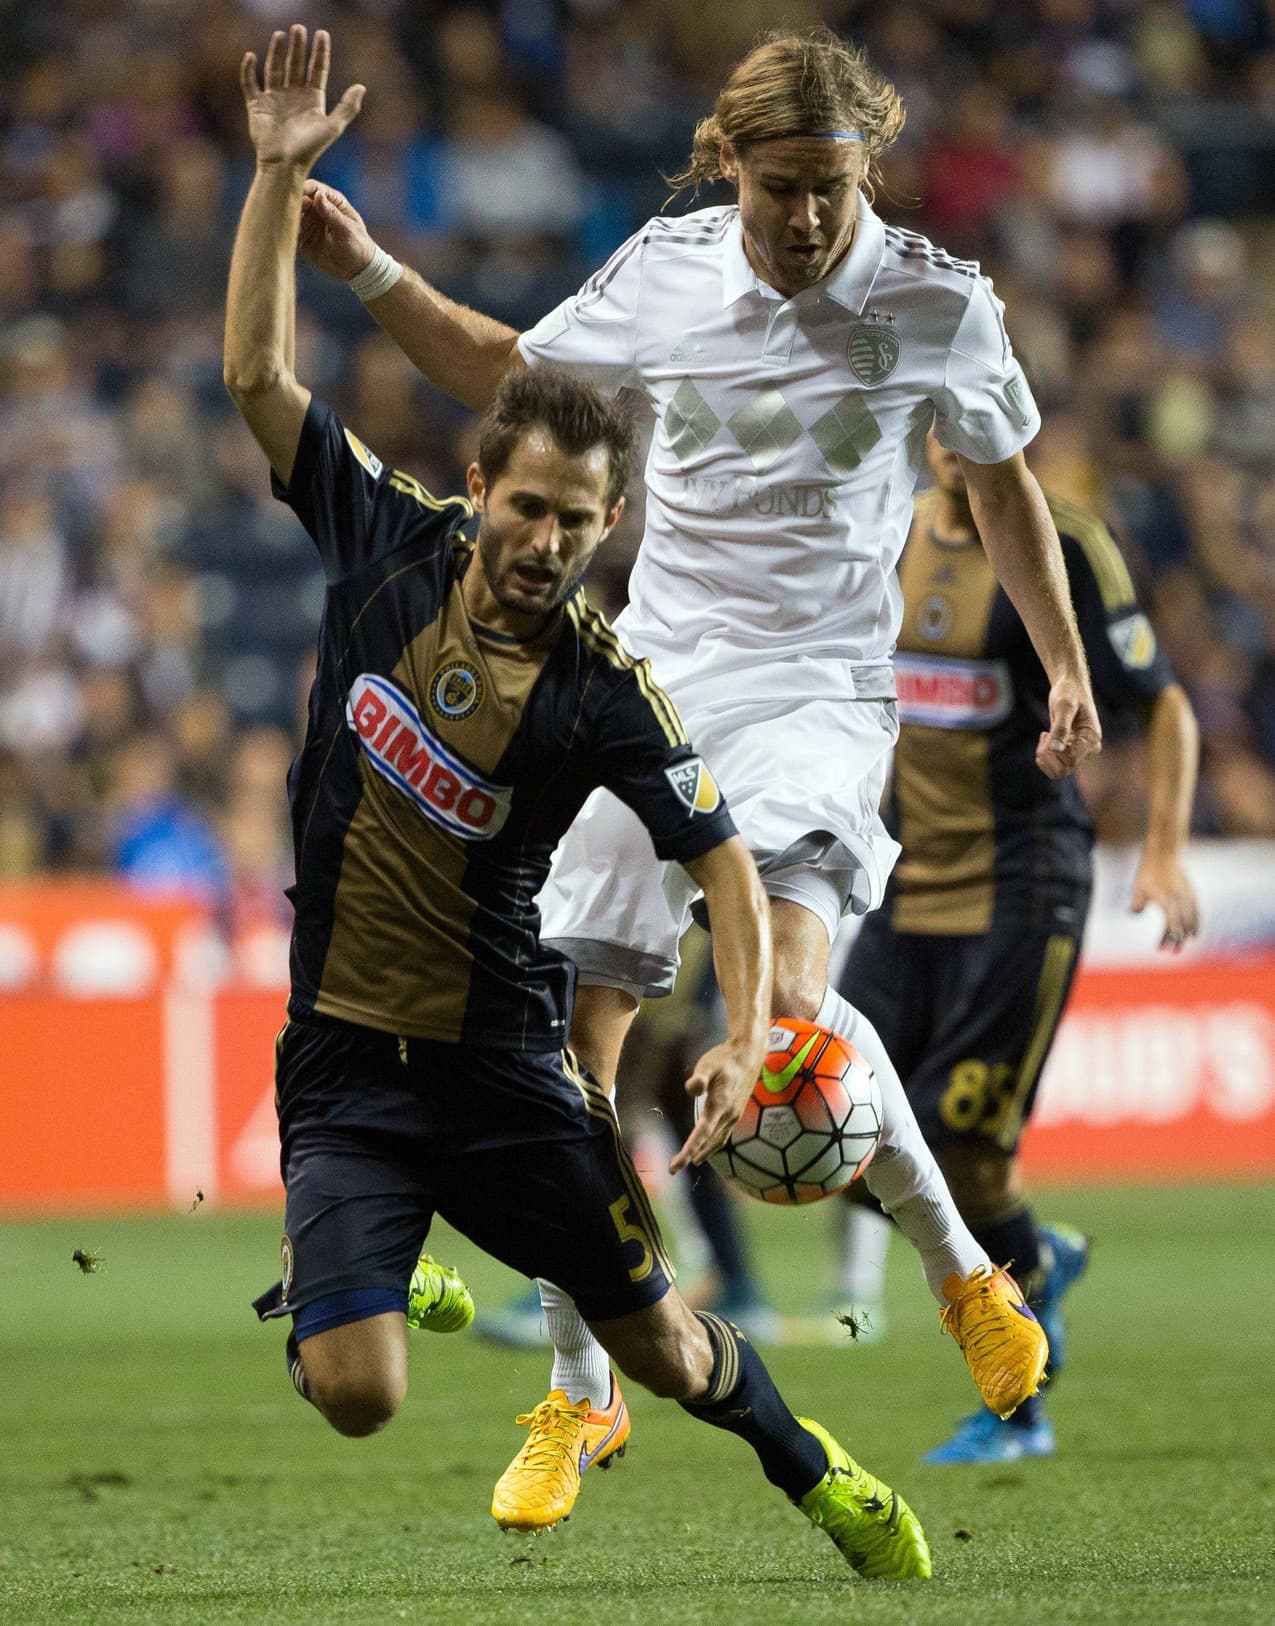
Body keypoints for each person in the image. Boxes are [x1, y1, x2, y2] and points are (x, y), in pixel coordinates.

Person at [298, 24, 1097, 1526]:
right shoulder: (662, 272)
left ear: (867, 169)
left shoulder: (935, 300)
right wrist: (364, 271)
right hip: (649, 670)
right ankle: (580, 1398)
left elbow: (999, 483)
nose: (803, 217)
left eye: (829, 187)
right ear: (727, 165)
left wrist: (1057, 661)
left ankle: (961, 1273)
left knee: (782, 1011)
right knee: (571, 1052)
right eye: (776, 185)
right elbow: (512, 373)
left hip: (817, 685)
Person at [835, 432, 1200, 1462]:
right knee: (846, 1132)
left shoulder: (1067, 546)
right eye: (937, 420)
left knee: (966, 1155)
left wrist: (1163, 853)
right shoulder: (883, 530)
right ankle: (1040, 1255)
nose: (955, 442)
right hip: (907, 888)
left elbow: (1163, 703)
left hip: (1022, 883)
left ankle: (1023, 1406)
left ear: (1014, 427)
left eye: (975, 417)